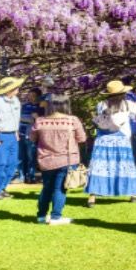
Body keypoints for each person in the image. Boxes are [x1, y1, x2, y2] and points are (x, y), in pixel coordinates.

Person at [86, 80, 136, 207]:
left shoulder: (101, 104)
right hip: (121, 140)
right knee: (125, 166)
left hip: (103, 139)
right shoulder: (128, 104)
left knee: (99, 166)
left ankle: (92, 198)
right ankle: (133, 195)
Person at [31, 93, 87, 224]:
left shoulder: (40, 121)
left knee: (46, 188)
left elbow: (32, 138)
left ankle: (41, 216)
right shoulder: (72, 120)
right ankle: (56, 217)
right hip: (66, 160)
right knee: (60, 189)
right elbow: (82, 138)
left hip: (46, 160)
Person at [0, 76, 24, 200]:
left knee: (12, 164)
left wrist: (16, 132)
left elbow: (15, 117)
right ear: (9, 89)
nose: (18, 88)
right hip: (0, 135)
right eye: (15, 87)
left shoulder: (16, 100)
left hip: (12, 135)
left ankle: (2, 187)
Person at [17, 88, 44, 185]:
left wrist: (26, 119)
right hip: (21, 133)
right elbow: (18, 117)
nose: (31, 98)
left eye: (34, 96)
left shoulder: (41, 107)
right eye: (30, 95)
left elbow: (39, 121)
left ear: (38, 97)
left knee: (31, 157)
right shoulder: (24, 106)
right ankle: (21, 176)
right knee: (20, 157)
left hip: (32, 135)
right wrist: (29, 119)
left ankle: (31, 176)